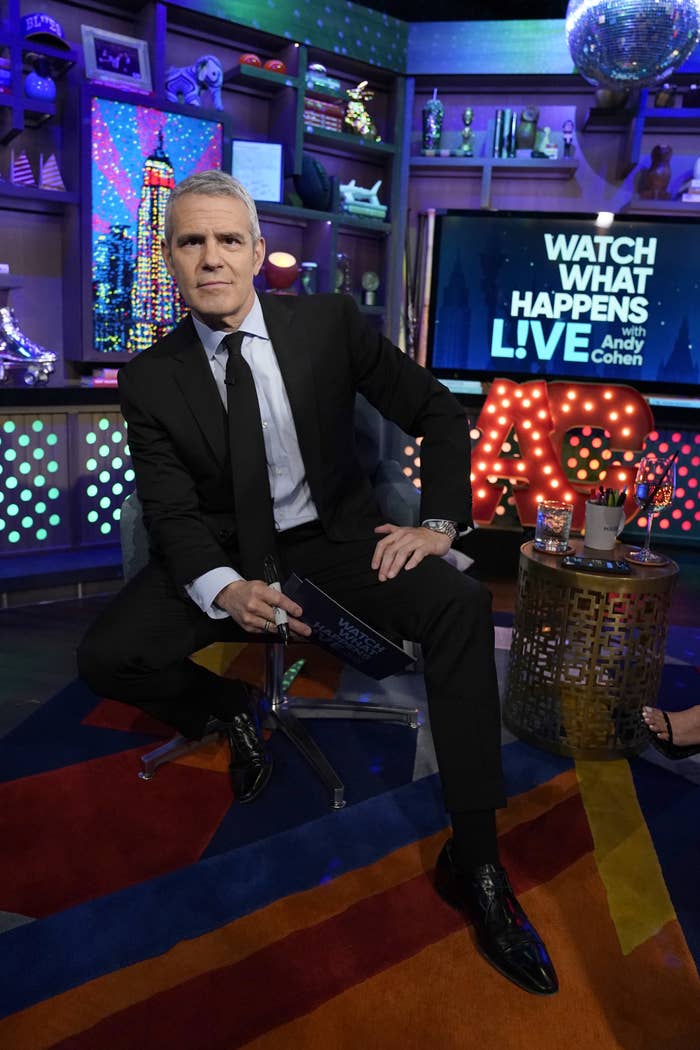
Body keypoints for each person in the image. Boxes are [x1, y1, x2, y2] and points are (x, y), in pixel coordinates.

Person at [78, 170, 558, 996]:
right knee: (109, 656)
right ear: (170, 258)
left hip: (328, 542)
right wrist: (224, 589)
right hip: (224, 554)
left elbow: (439, 412)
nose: (212, 259)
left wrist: (438, 527)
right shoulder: (150, 379)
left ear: (259, 252)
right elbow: (170, 513)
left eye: (230, 240)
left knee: (459, 604)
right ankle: (230, 710)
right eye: (192, 242)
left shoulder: (329, 324)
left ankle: (474, 860)